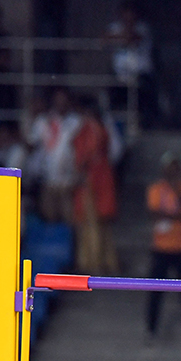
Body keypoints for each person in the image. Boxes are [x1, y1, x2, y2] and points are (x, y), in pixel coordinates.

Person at [145, 153, 181, 346]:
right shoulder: (155, 190)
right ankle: (151, 330)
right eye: (168, 169)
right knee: (155, 292)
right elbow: (154, 214)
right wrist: (177, 215)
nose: (171, 173)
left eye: (175, 169)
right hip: (161, 248)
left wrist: (177, 194)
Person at [70, 96, 118, 276]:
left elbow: (87, 154)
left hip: (93, 180)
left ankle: (92, 263)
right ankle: (102, 261)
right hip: (101, 176)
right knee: (97, 223)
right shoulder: (100, 128)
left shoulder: (91, 128)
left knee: (91, 222)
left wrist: (79, 175)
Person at [29, 86, 81, 225]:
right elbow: (32, 144)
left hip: (69, 181)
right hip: (48, 179)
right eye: (58, 100)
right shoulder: (44, 121)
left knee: (69, 220)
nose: (61, 103)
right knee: (49, 218)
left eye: (63, 100)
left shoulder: (77, 122)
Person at [105, 0, 155, 122]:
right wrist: (121, 37)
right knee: (114, 95)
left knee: (143, 94)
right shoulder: (114, 27)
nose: (128, 18)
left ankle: (143, 123)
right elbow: (104, 38)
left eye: (130, 15)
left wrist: (119, 37)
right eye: (125, 15)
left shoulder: (143, 27)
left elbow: (133, 39)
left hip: (140, 73)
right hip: (119, 74)